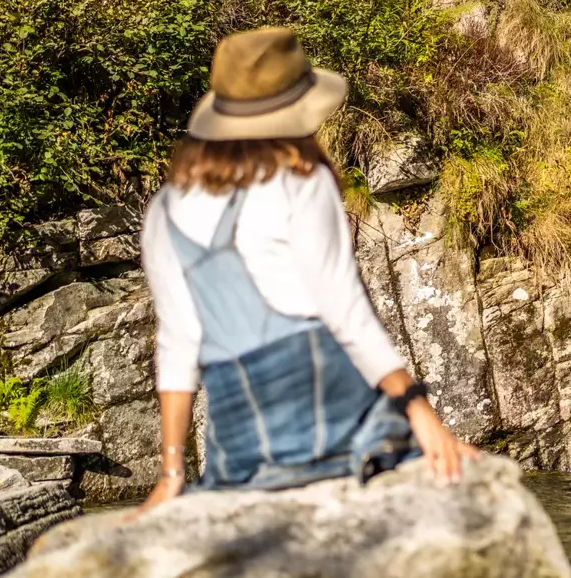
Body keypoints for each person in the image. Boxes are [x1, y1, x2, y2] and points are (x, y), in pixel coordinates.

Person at [136, 27, 476, 513]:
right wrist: (421, 413)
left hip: (241, 441)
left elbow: (177, 343)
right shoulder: (300, 180)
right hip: (330, 406)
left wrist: (172, 474)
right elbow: (344, 309)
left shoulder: (164, 210)